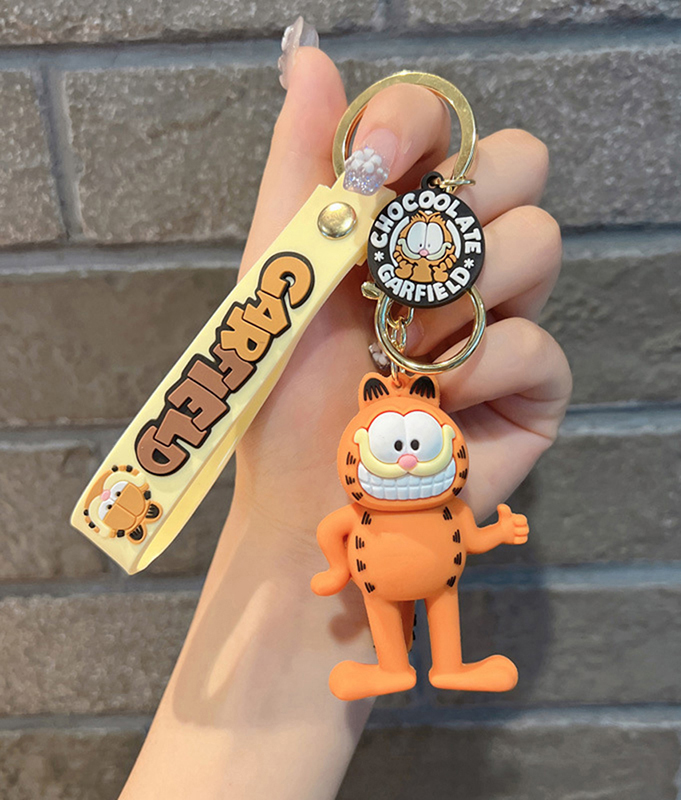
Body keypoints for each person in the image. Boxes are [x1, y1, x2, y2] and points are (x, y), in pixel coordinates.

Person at [119, 20, 571, 800]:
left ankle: (449, 663)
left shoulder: (421, 478)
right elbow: (335, 532)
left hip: (403, 557)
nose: (408, 455)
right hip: (372, 553)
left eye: (411, 441)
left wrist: (317, 558)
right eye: (398, 441)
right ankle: (396, 662)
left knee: (440, 615)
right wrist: (308, 553)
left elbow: (381, 530)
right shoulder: (365, 473)